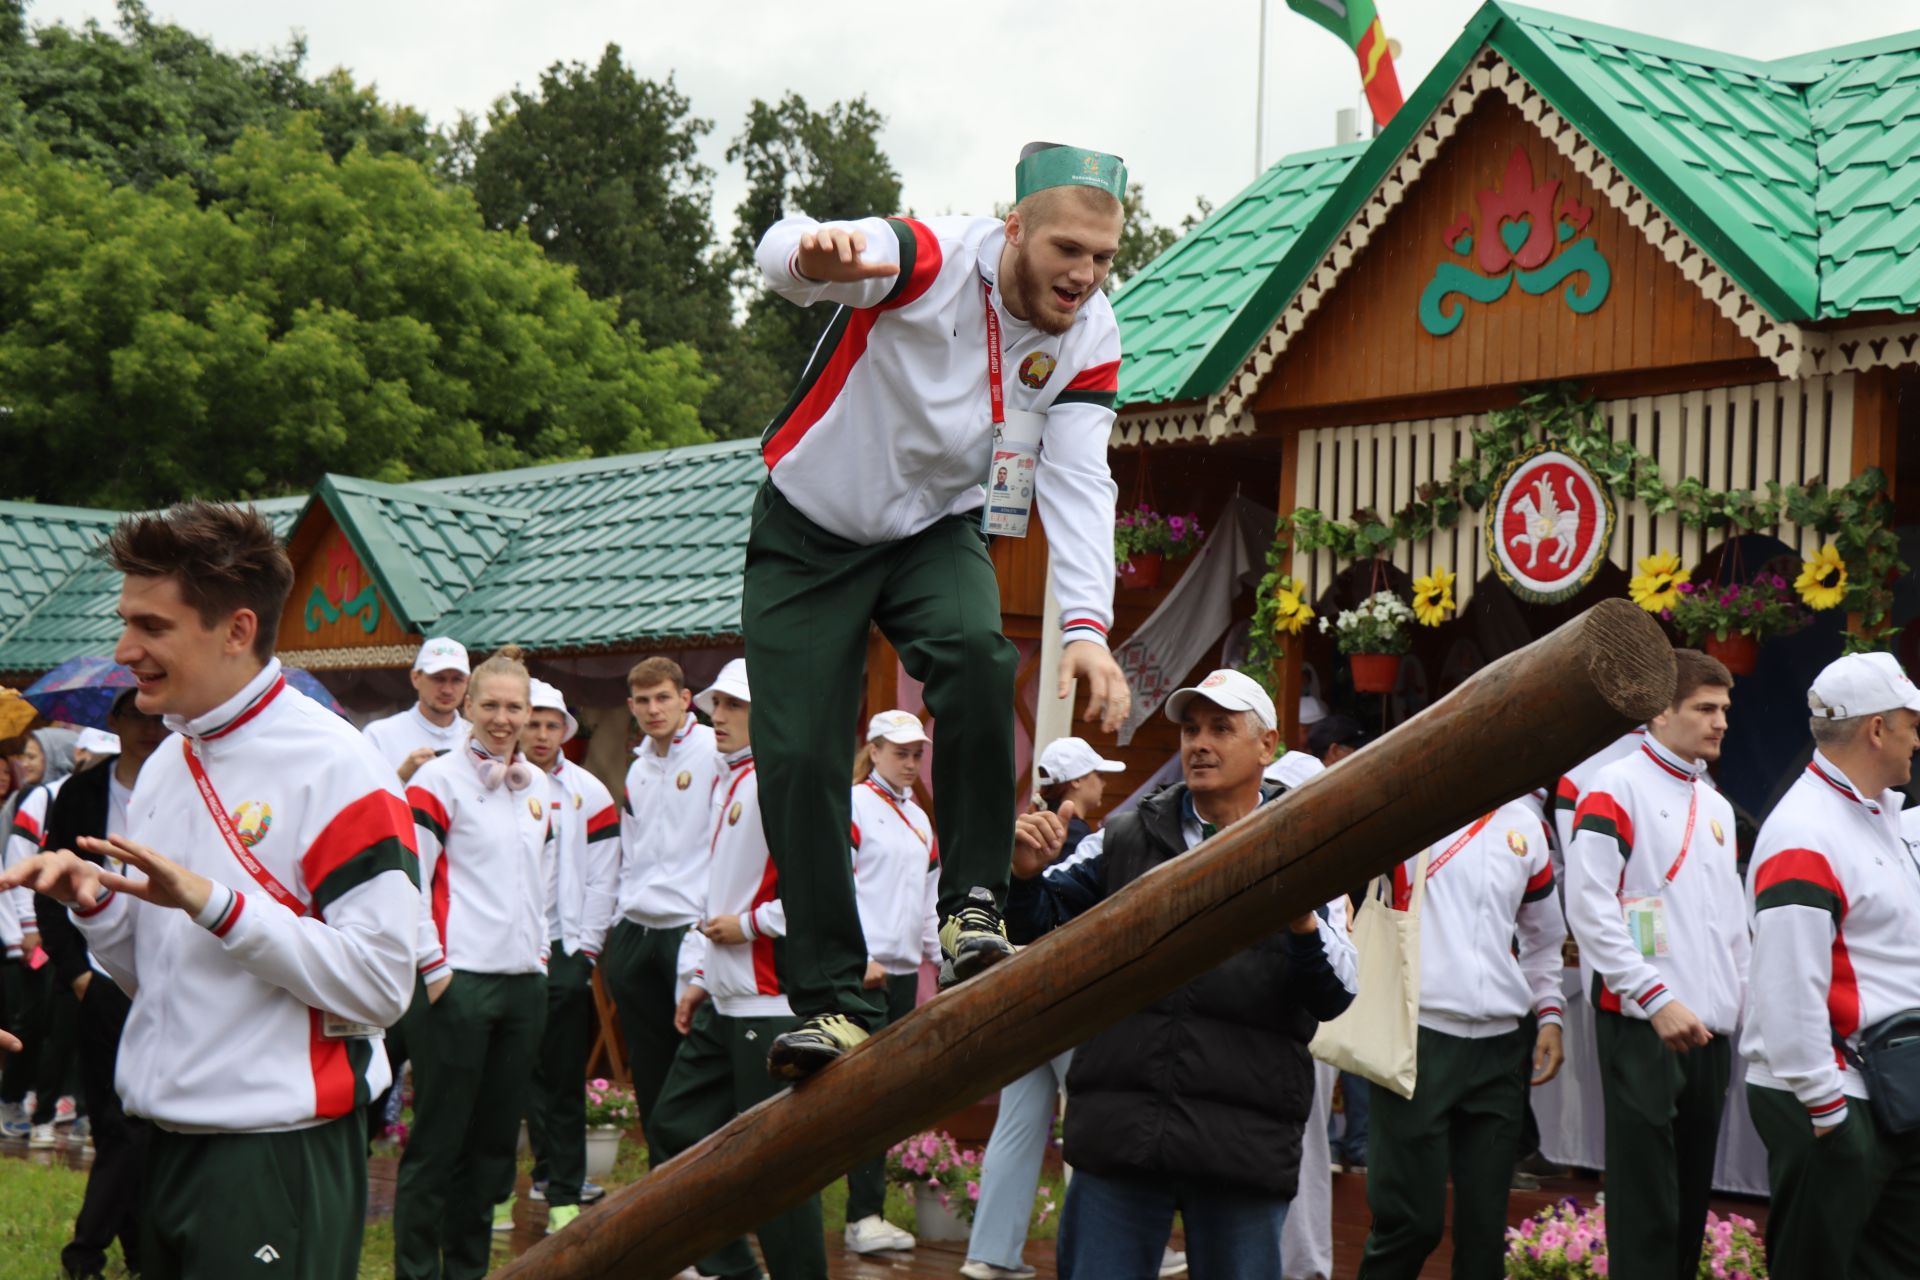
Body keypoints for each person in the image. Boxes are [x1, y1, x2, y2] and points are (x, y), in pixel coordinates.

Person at [746, 142, 1134, 1076]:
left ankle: (972, 904)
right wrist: (814, 256)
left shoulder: (1090, 333)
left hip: (934, 531)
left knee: (975, 653)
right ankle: (835, 1000)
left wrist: (1087, 629)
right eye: (1066, 251)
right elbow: (781, 255)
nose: (1082, 275)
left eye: (1103, 258)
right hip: (811, 533)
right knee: (798, 756)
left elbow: (1081, 480)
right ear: (1014, 231)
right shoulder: (925, 259)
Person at [0, 500, 421, 1280]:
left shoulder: (338, 766)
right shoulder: (165, 763)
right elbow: (156, 976)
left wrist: (217, 904)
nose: (125, 649)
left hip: (273, 1155)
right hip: (159, 1144)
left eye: (152, 627)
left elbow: (381, 986)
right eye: (127, 622)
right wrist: (94, 904)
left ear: (236, 630)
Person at [1006, 669, 1357, 1278]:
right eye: (1191, 728)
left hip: (1239, 1146)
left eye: (1222, 728)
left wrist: (1300, 917)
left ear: (1266, 745)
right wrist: (1025, 876)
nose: (1200, 742)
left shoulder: (1308, 843)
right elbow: (1039, 926)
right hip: (1122, 1136)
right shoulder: (1125, 835)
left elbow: (1336, 993)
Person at [1564, 648, 1746, 1280]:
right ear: (1660, 710)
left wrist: (1739, 1008)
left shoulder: (1718, 806)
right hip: (1643, 1023)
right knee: (1647, 1209)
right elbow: (1588, 906)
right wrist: (1654, 998)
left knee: (1691, 1203)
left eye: (1724, 708)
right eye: (1705, 708)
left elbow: (1732, 927)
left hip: (1709, 1031)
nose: (1721, 721)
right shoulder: (1613, 786)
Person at [1744, 653, 1920, 1278]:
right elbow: (1787, 986)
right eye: (1911, 723)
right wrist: (1827, 1109)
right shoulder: (1806, 831)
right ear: (1877, 729)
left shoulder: (1877, 814)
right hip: (1831, 1094)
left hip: (1884, 1088)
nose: (1917, 739)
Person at [652, 659, 828, 1280]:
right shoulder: (733, 778)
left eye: (732, 705)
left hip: (768, 1003)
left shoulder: (780, 780)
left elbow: (822, 891)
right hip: (725, 999)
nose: (715, 716)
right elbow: (716, 889)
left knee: (772, 1167)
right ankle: (730, 1268)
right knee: (675, 1128)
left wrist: (749, 928)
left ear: (767, 713)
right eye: (716, 704)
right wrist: (701, 976)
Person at [394, 645, 556, 1278]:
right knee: (438, 1141)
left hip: (523, 987)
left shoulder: (538, 784)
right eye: (490, 704)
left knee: (493, 1149)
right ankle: (416, 1271)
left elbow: (539, 880)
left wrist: (540, 957)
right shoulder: (435, 781)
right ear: (467, 705)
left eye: (515, 707)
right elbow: (409, 881)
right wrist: (433, 968)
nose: (503, 718)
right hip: (456, 984)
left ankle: (466, 1270)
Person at [1355, 799, 1567, 1279]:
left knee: (1486, 1231)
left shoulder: (1527, 825)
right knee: (1410, 1222)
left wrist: (1550, 1014)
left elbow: (1543, 936)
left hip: (1502, 1047)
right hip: (1418, 1037)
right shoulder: (1413, 810)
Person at [961, 734, 1124, 1280]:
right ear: (1077, 784)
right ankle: (1116, 1245)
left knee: (1017, 1123)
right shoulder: (1089, 844)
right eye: (1097, 773)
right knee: (1095, 1118)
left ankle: (990, 1253)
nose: (1104, 782)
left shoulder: (1022, 838)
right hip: (1068, 996)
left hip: (1018, 993)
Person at [33, 690, 167, 1280]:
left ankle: (97, 1253)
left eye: (157, 715)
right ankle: (110, 1254)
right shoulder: (82, 791)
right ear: (113, 721)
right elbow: (50, 881)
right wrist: (77, 972)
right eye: (134, 715)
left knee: (136, 1121)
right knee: (114, 1121)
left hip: (164, 970)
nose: (147, 727)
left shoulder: (185, 783)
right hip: (100, 972)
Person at [606, 656, 720, 1149]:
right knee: (648, 1068)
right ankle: (661, 1182)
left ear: (685, 699)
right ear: (631, 706)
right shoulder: (638, 767)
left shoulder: (714, 752)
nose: (654, 710)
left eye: (663, 698)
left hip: (687, 929)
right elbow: (629, 852)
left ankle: (705, 1185)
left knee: (695, 1066)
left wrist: (705, 925)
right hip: (635, 928)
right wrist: (617, 919)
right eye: (644, 701)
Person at [520, 678, 619, 1234]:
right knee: (519, 1072)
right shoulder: (499, 780)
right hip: (510, 947)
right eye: (532, 722)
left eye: (550, 724)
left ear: (566, 731)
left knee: (562, 1073)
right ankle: (528, 1180)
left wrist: (587, 949)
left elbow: (606, 876)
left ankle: (567, 1183)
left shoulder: (590, 791)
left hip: (563, 946)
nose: (540, 733)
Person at [840, 710, 941, 1256]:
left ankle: (867, 1213)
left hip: (902, 978)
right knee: (860, 1099)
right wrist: (856, 958)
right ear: (873, 750)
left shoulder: (921, 820)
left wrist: (945, 966)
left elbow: (928, 905)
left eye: (916, 754)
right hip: (862, 977)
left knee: (882, 1100)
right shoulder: (853, 805)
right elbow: (840, 890)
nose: (909, 762)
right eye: (899, 752)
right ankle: (861, 1215)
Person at [1, 726, 78, 1141]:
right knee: (31, 1021)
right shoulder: (37, 800)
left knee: (63, 1024)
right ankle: (12, 1095)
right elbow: (16, 866)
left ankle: (48, 1098)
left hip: (69, 931)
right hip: (33, 933)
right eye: (26, 756)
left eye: (35, 756)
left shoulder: (76, 796)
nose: (28, 763)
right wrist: (28, 930)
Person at [363, 638, 471, 782]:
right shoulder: (379, 736)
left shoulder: (477, 739)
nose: (447, 690)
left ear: (467, 682)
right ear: (415, 678)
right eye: (438, 678)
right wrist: (401, 777)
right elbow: (363, 798)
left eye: (457, 680)